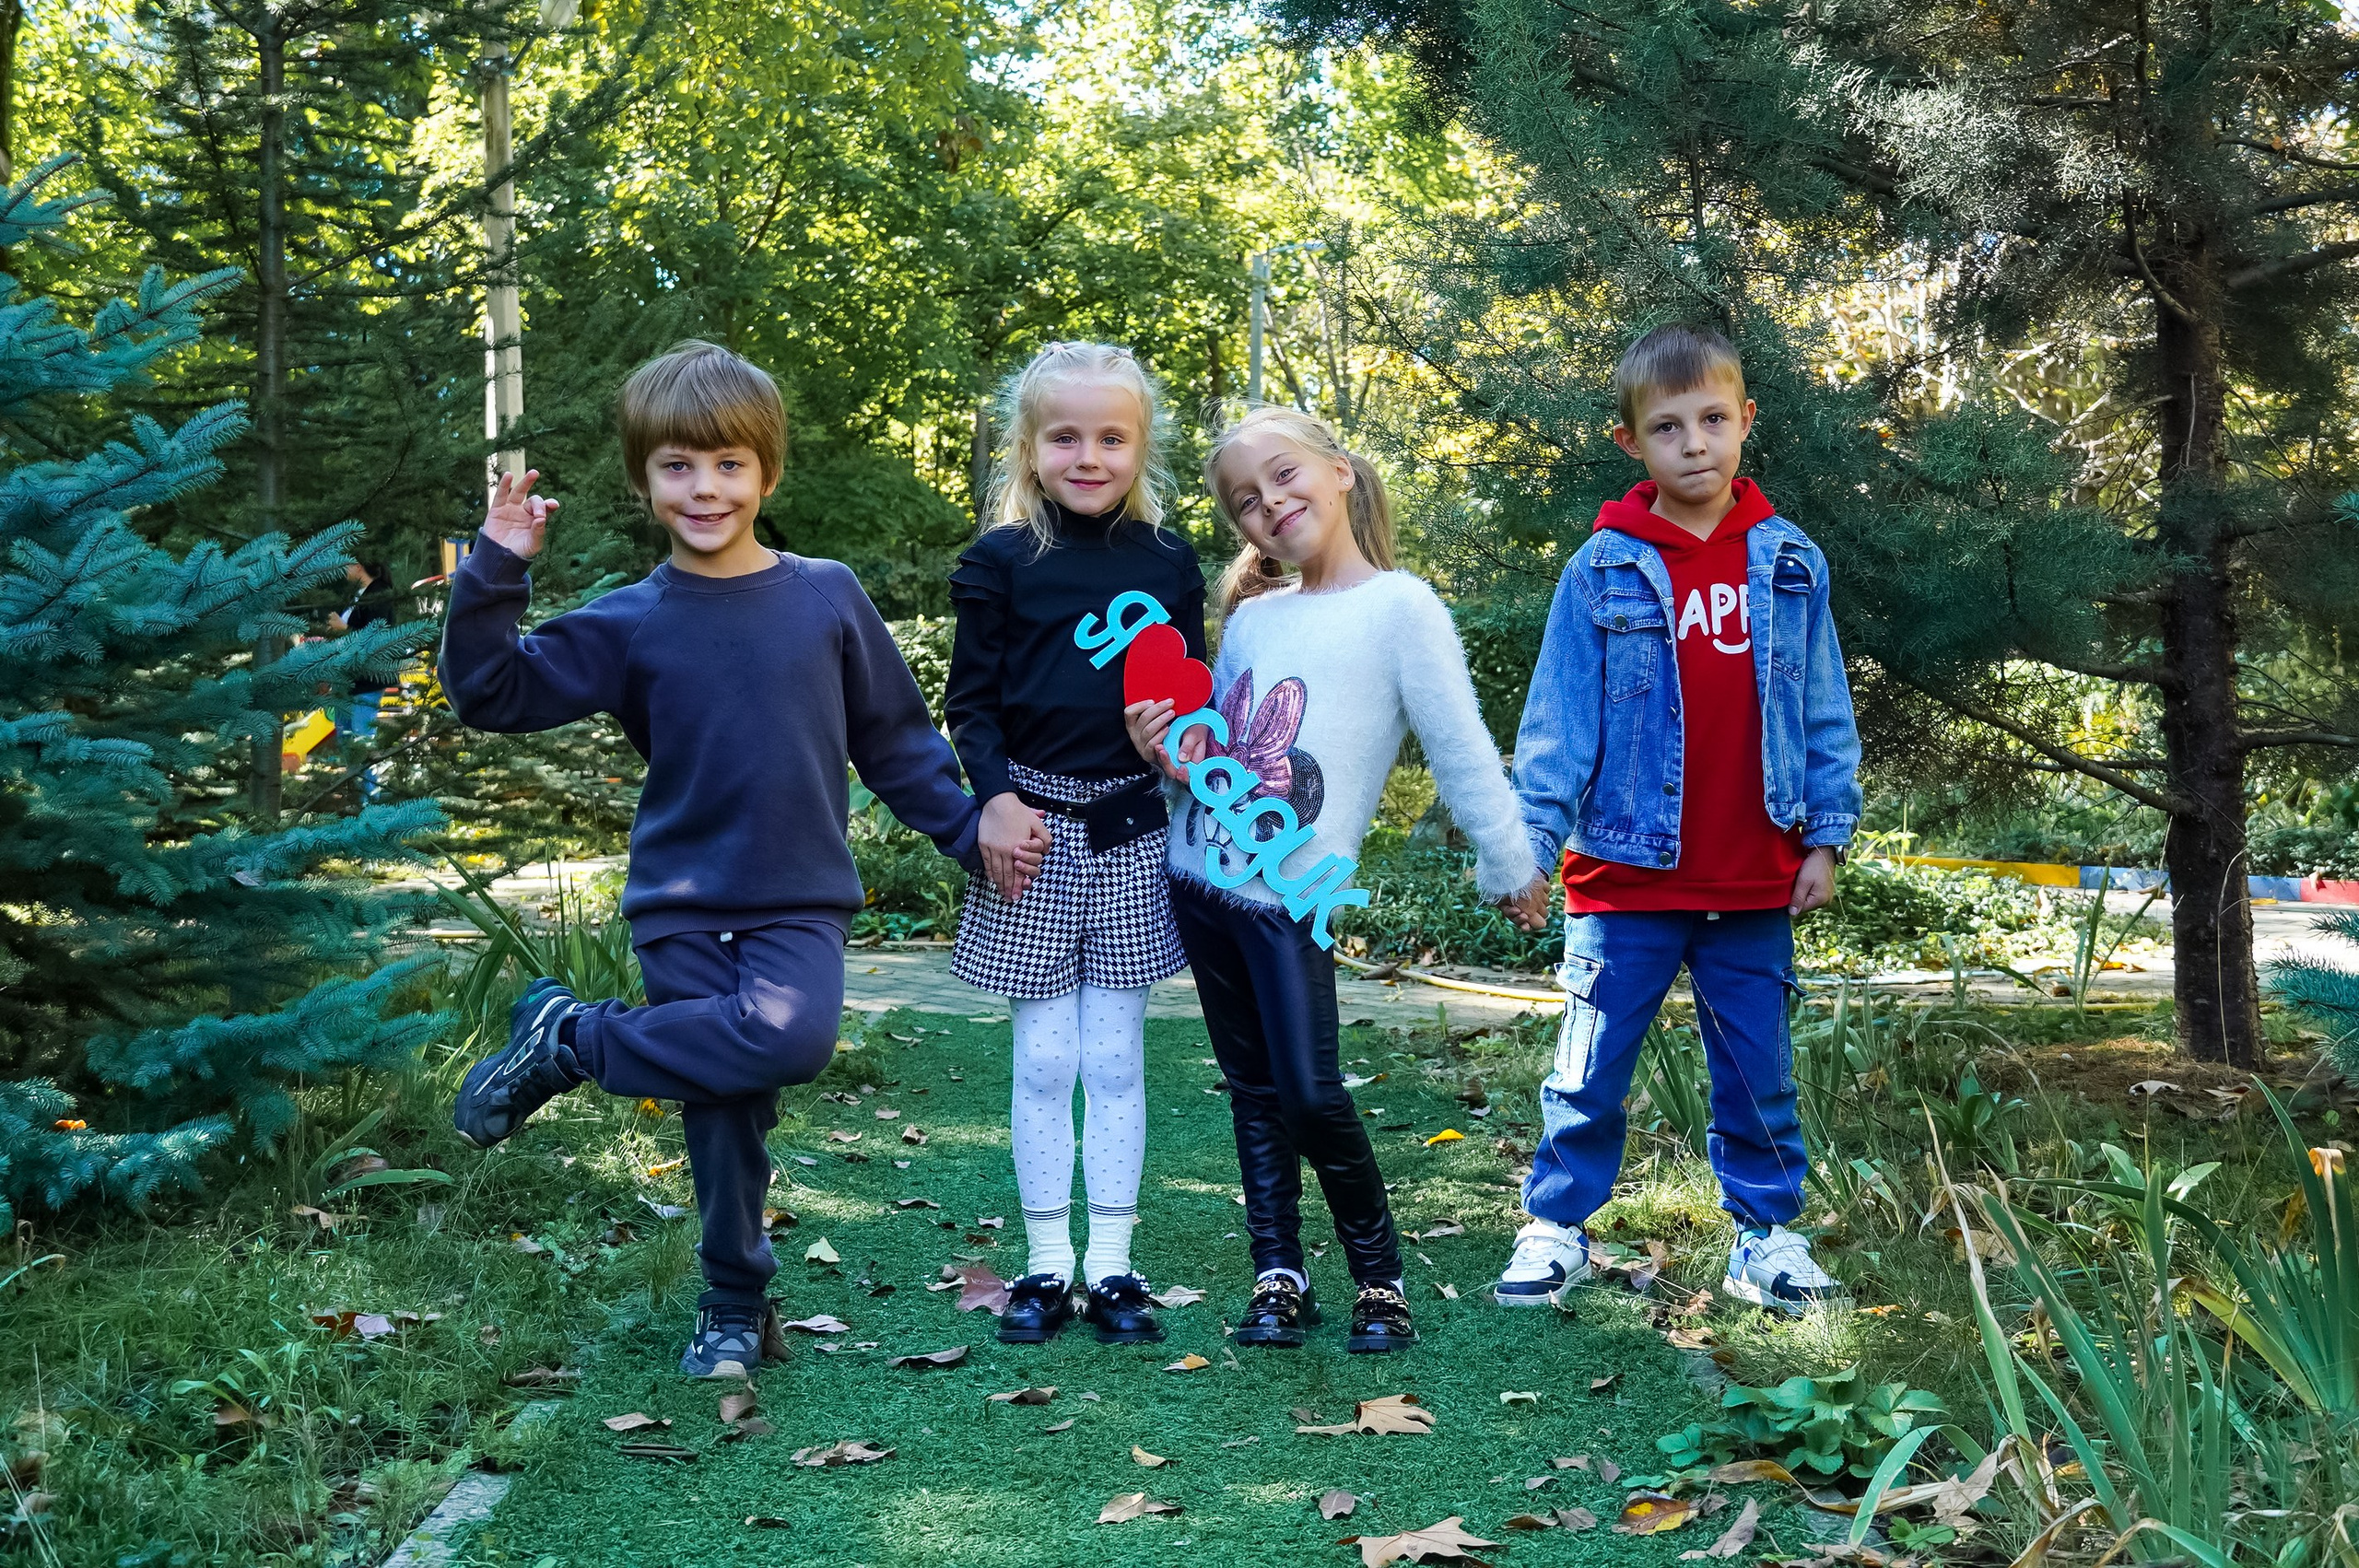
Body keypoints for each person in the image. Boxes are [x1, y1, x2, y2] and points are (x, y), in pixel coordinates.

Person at [439, 340, 985, 1378]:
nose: (705, 488)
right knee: (723, 1108)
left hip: (798, 898)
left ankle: (571, 1040)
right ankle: (733, 1305)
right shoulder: (635, 619)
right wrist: (496, 565)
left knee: (789, 1040)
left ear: (766, 473)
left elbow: (896, 741)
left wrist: (962, 832)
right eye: (678, 466)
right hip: (682, 901)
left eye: (729, 464)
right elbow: (490, 694)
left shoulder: (826, 595)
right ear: (646, 481)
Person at [1126, 407, 1538, 1354]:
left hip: (1288, 900)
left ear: (1340, 471)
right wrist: (1164, 754)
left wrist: (1505, 861)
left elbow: (1458, 744)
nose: (1268, 504)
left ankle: (1380, 1278)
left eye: (1282, 476)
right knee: (1253, 1089)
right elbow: (1217, 748)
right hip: (1199, 879)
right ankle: (1278, 1275)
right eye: (1243, 500)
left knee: (1311, 1092)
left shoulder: (1401, 608)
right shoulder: (1256, 615)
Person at [1492, 322, 1861, 1316]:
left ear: (1745, 422)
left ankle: (1766, 1238)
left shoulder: (1789, 563)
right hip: (1626, 877)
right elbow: (1557, 726)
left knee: (1757, 1072)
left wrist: (1825, 833)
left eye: (1711, 420)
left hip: (1753, 875)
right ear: (1632, 444)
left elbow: (1821, 706)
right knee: (1588, 1067)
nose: (1693, 442)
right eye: (1667, 427)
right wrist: (1527, 849)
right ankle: (1557, 1226)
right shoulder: (1601, 569)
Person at [945, 343, 1204, 1348]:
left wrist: (1179, 749)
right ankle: (1047, 1263)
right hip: (1035, 836)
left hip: (1133, 829)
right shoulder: (999, 561)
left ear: (1140, 447)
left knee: (1115, 1053)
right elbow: (971, 708)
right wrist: (997, 801)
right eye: (1065, 436)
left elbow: (1188, 701)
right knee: (1047, 1058)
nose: (1088, 456)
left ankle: (1113, 1264)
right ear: (1030, 447)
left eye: (1111, 437)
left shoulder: (1168, 561)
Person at [326, 560, 396, 800]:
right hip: (347, 680)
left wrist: (344, 628)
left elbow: (377, 638)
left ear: (358, 567)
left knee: (361, 740)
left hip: (367, 679)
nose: (343, 571)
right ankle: (358, 799)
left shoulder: (378, 595)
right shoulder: (358, 595)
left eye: (347, 566)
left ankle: (370, 801)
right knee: (346, 739)